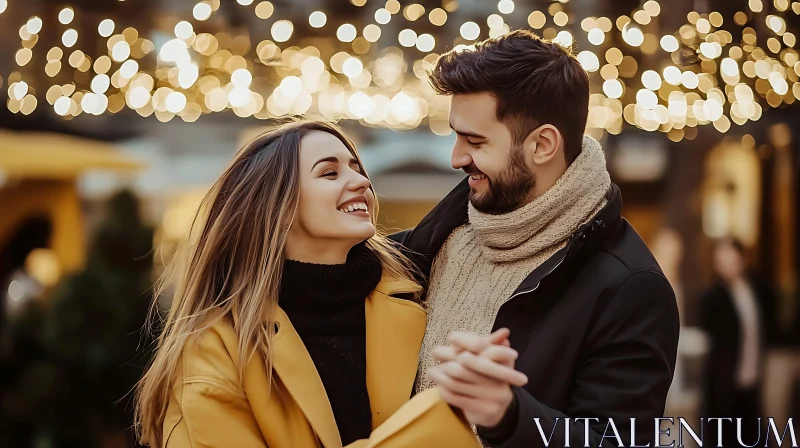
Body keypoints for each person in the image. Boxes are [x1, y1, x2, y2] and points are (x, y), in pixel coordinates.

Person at [392, 30, 680, 447]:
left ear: (543, 144)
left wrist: (509, 415)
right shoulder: (441, 233)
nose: (456, 158)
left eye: (475, 141)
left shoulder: (631, 288)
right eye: (456, 135)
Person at [133, 121, 491, 448]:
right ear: (278, 206)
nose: (362, 181)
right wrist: (433, 426)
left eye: (356, 168)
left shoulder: (419, 296)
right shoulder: (217, 351)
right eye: (330, 173)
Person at [698, 238, 777, 447]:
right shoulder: (712, 297)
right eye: (722, 262)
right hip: (723, 386)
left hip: (752, 377)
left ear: (743, 260)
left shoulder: (757, 289)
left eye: (731, 261)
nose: (727, 267)